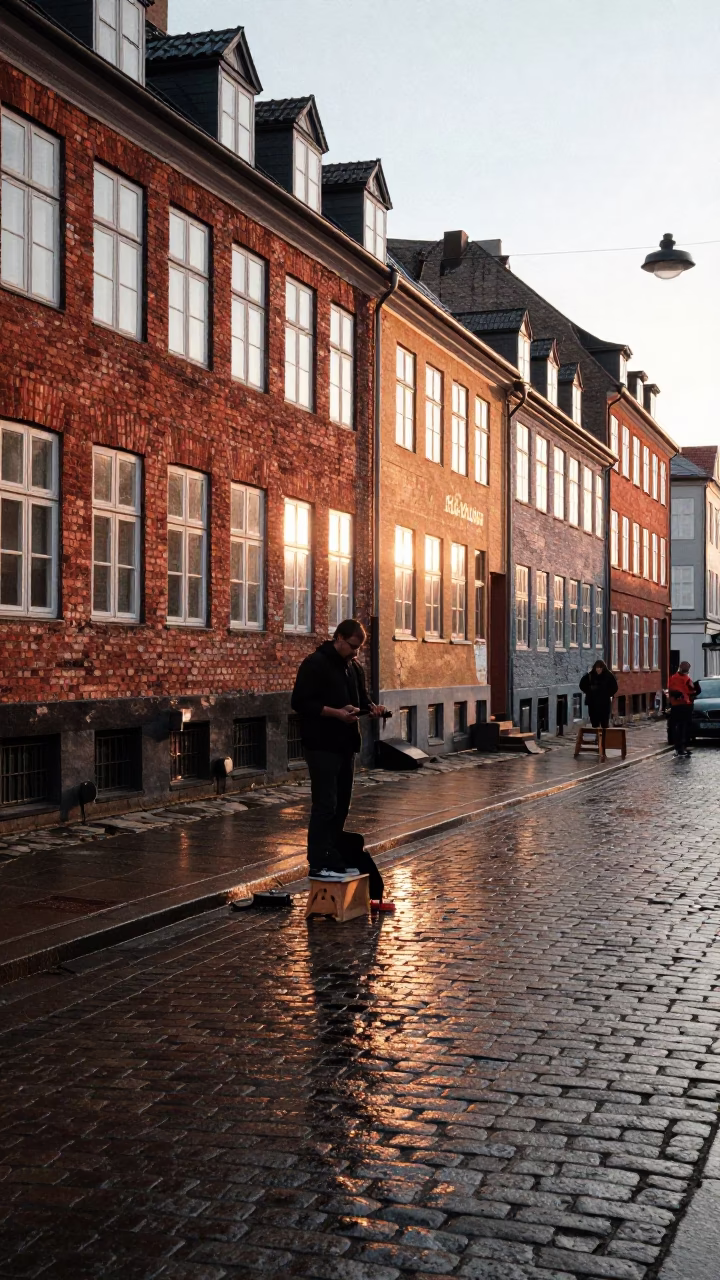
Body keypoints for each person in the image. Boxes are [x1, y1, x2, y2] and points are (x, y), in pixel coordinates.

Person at [291, 619, 387, 879]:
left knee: (342, 803)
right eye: (353, 646)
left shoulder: (354, 667)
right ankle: (317, 861)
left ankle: (332, 854)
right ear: (340, 638)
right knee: (326, 804)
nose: (356, 652)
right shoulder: (315, 664)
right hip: (321, 744)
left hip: (346, 744)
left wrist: (372, 709)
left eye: (359, 648)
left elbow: (361, 700)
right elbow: (300, 702)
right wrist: (335, 713)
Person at [579, 659, 618, 729]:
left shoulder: (608, 675)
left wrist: (607, 693)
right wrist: (589, 690)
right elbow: (582, 684)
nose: (598, 670)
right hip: (593, 703)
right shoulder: (590, 675)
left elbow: (614, 687)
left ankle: (604, 738)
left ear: (603, 668)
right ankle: (596, 738)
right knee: (594, 723)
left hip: (604, 703)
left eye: (600, 668)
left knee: (604, 723)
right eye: (597, 668)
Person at [667, 660, 696, 757]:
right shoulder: (687, 679)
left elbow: (670, 690)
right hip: (685, 705)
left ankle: (679, 747)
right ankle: (683, 746)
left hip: (676, 705)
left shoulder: (673, 678)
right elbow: (692, 691)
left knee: (677, 727)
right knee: (685, 727)